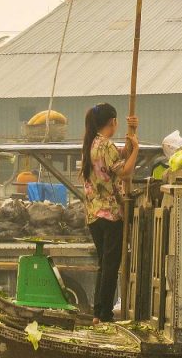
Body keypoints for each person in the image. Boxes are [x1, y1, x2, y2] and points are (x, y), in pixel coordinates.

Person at [81, 104, 138, 325]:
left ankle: (98, 312)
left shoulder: (91, 144)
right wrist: (137, 150)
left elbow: (114, 162)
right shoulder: (106, 145)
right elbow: (124, 172)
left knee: (104, 264)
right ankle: (104, 314)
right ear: (113, 122)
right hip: (111, 214)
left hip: (94, 214)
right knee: (111, 266)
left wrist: (130, 140)